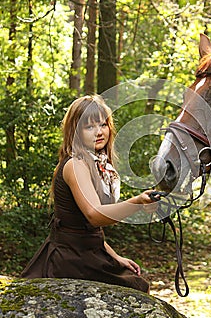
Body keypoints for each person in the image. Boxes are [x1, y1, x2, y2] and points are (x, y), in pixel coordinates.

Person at [21, 94, 157, 293]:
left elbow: (91, 232)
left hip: (89, 253)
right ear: (75, 132)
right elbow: (94, 216)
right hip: (71, 259)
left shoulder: (100, 165)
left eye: (103, 124)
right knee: (136, 288)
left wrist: (114, 256)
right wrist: (137, 202)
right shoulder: (76, 165)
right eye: (89, 127)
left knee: (137, 283)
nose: (99, 132)